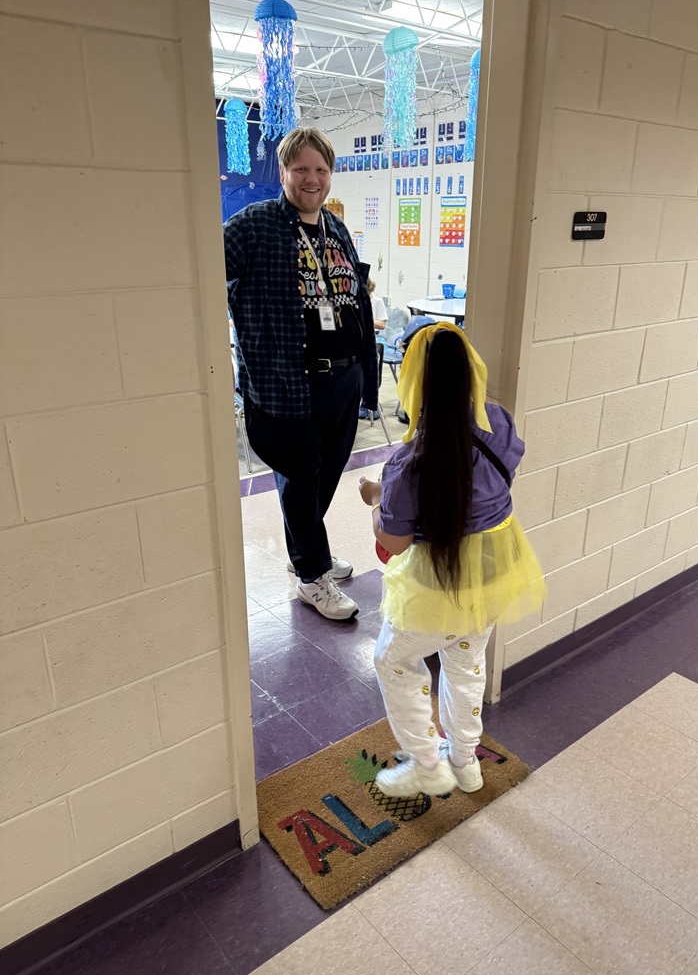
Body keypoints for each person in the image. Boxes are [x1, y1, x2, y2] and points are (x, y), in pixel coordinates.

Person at [358, 322, 546, 796]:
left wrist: (378, 503)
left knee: (392, 660)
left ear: (413, 379)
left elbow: (395, 543)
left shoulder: (408, 463)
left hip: (438, 585)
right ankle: (465, 762)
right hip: (494, 571)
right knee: (466, 663)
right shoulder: (497, 421)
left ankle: (426, 763)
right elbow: (486, 485)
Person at [224, 127, 379, 621]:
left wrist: (366, 377)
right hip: (288, 383)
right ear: (284, 172)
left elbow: (357, 295)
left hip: (343, 378)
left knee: (322, 478)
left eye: (321, 170)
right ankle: (311, 574)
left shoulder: (334, 230)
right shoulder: (253, 226)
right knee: (301, 478)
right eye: (302, 169)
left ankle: (307, 553)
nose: (312, 179)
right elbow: (201, 276)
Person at [358, 278, 389, 421]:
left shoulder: (377, 302)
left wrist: (365, 319)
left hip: (372, 340)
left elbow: (382, 324)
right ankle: (360, 403)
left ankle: (370, 403)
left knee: (371, 371)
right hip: (357, 339)